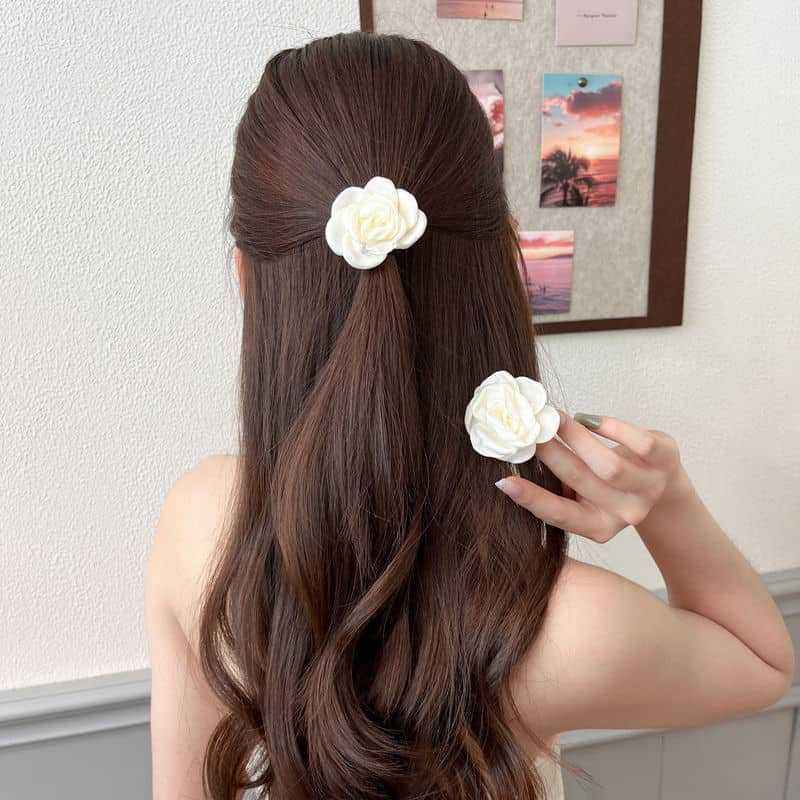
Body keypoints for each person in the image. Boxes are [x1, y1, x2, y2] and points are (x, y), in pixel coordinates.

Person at [145, 30, 794, 800]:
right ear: (506, 261)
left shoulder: (197, 523)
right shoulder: (560, 627)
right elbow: (763, 664)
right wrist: (669, 500)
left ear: (247, 277)